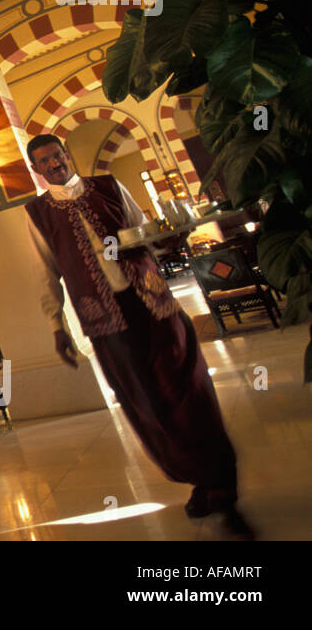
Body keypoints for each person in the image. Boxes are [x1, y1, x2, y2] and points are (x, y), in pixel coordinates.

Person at [23, 134, 252, 538]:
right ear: (36, 170)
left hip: (153, 305)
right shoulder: (37, 213)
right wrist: (56, 325)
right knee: (148, 404)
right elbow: (46, 274)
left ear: (67, 154)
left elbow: (146, 232)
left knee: (187, 391)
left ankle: (223, 489)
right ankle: (200, 479)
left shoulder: (110, 187)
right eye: (45, 161)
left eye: (58, 155)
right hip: (106, 322)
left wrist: (171, 235)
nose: (55, 164)